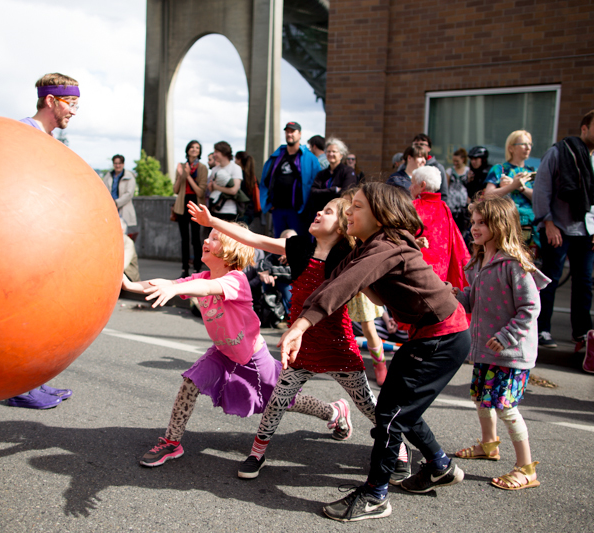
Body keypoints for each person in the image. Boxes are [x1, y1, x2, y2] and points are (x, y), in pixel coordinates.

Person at [279, 182, 470, 522]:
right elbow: (336, 277)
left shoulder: (386, 244)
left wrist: (301, 326)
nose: (348, 211)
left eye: (357, 206)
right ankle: (439, 465)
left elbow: (343, 285)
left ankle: (375, 495)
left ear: (381, 214)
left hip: (443, 336)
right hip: (432, 333)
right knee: (397, 410)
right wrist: (303, 319)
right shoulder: (371, 247)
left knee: (391, 414)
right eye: (349, 206)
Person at [188, 199, 410, 482]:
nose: (318, 211)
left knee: (367, 403)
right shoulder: (298, 247)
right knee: (278, 401)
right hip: (300, 343)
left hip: (338, 345)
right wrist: (213, 222)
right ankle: (257, 452)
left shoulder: (349, 256)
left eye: (328, 211)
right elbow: (254, 238)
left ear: (343, 225)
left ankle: (399, 447)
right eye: (321, 208)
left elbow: (377, 285)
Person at [122, 225, 336, 467]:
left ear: (230, 251)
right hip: (222, 354)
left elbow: (205, 289)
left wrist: (175, 288)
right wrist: (129, 285)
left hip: (255, 360)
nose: (205, 240)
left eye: (214, 238)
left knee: (286, 400)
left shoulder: (236, 280)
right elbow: (165, 283)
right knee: (189, 383)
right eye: (208, 235)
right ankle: (172, 442)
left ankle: (334, 412)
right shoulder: (200, 277)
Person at [453, 195, 549, 490]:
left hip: (509, 353)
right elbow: (472, 300)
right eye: (473, 222)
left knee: (506, 407)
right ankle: (489, 445)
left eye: (482, 223)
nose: (475, 228)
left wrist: (506, 336)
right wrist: (450, 293)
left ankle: (526, 467)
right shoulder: (480, 261)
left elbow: (530, 308)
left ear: (500, 224)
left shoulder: (514, 265)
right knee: (482, 398)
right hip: (485, 349)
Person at [8, 72, 78, 410]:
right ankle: (20, 385)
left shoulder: (50, 139)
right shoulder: (23, 133)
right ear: (50, 101)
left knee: (39, 314)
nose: (75, 112)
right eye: (71, 103)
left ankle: (33, 380)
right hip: (18, 242)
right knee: (21, 313)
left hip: (39, 241)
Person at [532, 110, 594, 353]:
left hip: (586, 229)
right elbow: (542, 189)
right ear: (584, 128)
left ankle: (582, 332)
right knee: (550, 280)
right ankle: (542, 329)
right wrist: (548, 223)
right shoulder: (560, 152)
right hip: (558, 228)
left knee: (584, 282)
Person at [339, 188, 388, 386]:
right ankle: (345, 362)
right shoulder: (342, 230)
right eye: (345, 206)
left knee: (369, 328)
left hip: (363, 288)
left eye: (352, 206)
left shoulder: (363, 231)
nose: (347, 210)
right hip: (346, 285)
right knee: (341, 325)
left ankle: (380, 364)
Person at [410, 166, 471, 291]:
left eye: (412, 184)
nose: (410, 187)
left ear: (422, 185)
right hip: (442, 272)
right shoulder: (444, 207)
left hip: (417, 269)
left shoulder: (413, 207)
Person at [259, 121, 321, 237]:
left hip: (298, 211)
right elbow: (265, 180)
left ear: (300, 134)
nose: (289, 134)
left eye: (292, 131)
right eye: (287, 131)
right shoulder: (276, 156)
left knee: (298, 245)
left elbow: (316, 185)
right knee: (278, 244)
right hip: (278, 210)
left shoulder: (309, 158)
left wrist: (308, 208)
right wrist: (268, 202)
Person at [484, 130, 536, 247]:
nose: (528, 148)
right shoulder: (500, 169)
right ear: (511, 148)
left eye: (530, 144)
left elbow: (538, 198)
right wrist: (513, 186)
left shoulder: (531, 172)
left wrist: (519, 187)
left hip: (526, 226)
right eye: (523, 144)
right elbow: (488, 195)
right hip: (503, 223)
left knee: (523, 261)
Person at [302, 137, 356, 231]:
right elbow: (313, 192)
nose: (331, 154)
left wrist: (322, 193)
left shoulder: (348, 172)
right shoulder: (322, 174)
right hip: (321, 217)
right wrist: (334, 190)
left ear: (341, 155)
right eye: (329, 151)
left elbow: (345, 194)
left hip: (339, 218)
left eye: (334, 151)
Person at [173, 140, 208, 277]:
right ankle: (184, 269)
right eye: (192, 147)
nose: (194, 150)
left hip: (195, 204)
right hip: (182, 204)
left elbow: (200, 192)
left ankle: (197, 268)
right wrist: (181, 176)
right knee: (184, 239)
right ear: (187, 150)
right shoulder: (181, 166)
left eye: (197, 148)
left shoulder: (202, 168)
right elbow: (175, 190)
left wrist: (188, 176)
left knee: (195, 238)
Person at [208, 141, 246, 222]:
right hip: (215, 209)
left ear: (224, 152)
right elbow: (212, 190)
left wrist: (216, 187)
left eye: (216, 152)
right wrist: (211, 187)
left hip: (229, 211)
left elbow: (234, 190)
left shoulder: (235, 168)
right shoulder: (215, 169)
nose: (214, 155)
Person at [102, 155, 138, 239]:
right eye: (115, 163)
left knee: (123, 236)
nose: (117, 165)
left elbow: (129, 194)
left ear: (123, 164)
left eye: (119, 163)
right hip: (111, 208)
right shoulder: (109, 175)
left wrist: (116, 203)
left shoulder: (129, 176)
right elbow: (104, 189)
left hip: (123, 209)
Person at [405, 134, 449, 201]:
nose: (419, 146)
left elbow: (443, 193)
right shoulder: (405, 166)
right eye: (416, 144)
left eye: (422, 144)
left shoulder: (437, 167)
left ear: (429, 148)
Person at [446, 148, 470, 233]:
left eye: (457, 161)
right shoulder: (450, 171)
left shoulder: (468, 171)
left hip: (463, 201)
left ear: (463, 160)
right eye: (454, 161)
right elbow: (446, 186)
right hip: (452, 201)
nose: (455, 163)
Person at [234, 151, 259, 225]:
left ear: (239, 160)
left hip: (241, 211)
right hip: (250, 211)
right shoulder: (252, 177)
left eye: (235, 159)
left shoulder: (239, 176)